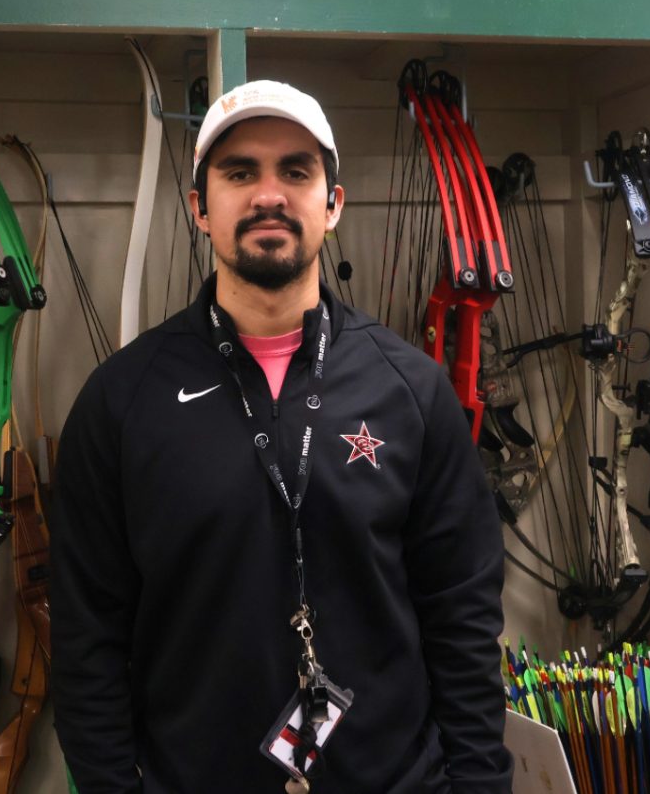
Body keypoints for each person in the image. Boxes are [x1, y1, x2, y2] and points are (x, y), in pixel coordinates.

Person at [49, 79, 513, 793]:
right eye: (240, 173)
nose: (270, 194)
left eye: (296, 171)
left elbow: (464, 623)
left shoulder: (413, 393)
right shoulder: (120, 403)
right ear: (200, 207)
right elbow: (87, 644)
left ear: (333, 203)